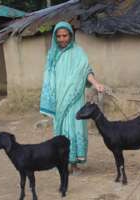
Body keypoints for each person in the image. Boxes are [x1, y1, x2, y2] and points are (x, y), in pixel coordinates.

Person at [40, 21, 104, 174]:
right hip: (59, 101)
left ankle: (74, 164)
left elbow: (86, 71)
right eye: (59, 36)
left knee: (75, 129)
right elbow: (48, 79)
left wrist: (96, 84)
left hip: (75, 100)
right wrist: (49, 100)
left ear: (71, 35)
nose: (62, 39)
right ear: (55, 37)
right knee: (61, 132)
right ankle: (63, 165)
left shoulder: (78, 52)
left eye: (65, 35)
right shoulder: (52, 56)